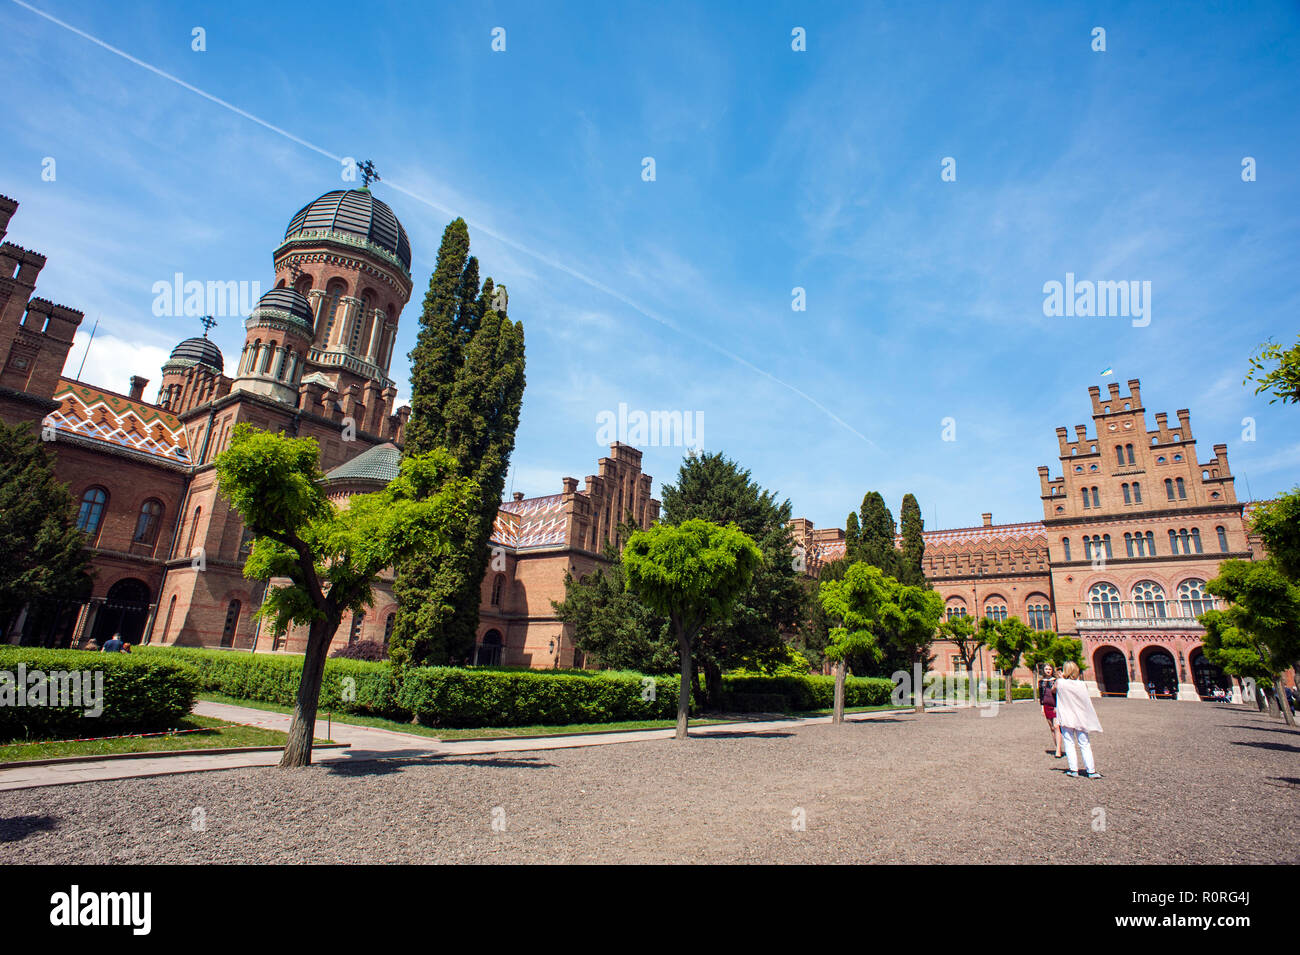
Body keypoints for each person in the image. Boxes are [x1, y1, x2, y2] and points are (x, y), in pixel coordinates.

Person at [1055, 661, 1102, 779]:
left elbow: (1053, 690)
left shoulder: (1060, 683)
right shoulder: (1082, 684)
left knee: (1069, 743)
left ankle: (1073, 769)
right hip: (1080, 717)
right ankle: (1091, 771)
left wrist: (1061, 679)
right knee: (1085, 743)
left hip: (1066, 717)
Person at [1039, 664, 1063, 758]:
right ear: (1043, 670)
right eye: (1046, 669)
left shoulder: (1056, 680)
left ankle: (1058, 751)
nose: (1048, 670)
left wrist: (1058, 706)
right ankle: (1058, 747)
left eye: (1049, 669)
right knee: (1052, 728)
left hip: (1055, 706)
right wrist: (1042, 707)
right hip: (1046, 705)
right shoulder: (1041, 681)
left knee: (1057, 726)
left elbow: (1059, 694)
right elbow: (1041, 695)